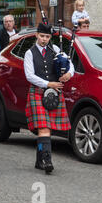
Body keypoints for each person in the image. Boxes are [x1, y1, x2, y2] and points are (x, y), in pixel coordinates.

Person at [24, 23, 74, 174]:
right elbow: (29, 75)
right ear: (36, 35)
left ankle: (40, 160)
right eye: (42, 36)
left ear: (50, 37)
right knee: (43, 128)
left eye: (47, 37)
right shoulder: (30, 53)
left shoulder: (56, 50)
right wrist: (48, 83)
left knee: (47, 129)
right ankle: (47, 160)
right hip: (38, 92)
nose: (44, 39)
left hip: (54, 94)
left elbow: (69, 64)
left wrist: (69, 74)